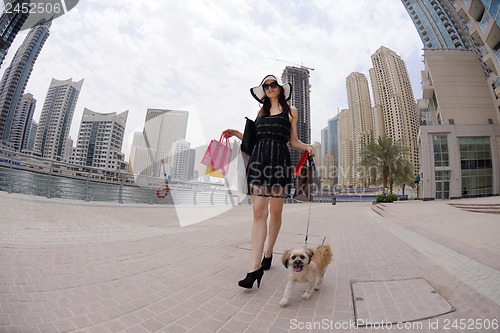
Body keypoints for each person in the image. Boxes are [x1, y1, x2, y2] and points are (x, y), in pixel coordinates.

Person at [223, 74, 315, 289]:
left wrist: (307, 147)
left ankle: (269, 252)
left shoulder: (291, 111)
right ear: (263, 90)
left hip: (279, 162)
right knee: (258, 213)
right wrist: (237, 133)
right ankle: (253, 269)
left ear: (281, 89)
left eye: (274, 84)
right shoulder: (261, 112)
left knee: (275, 213)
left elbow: (293, 141)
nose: (270, 88)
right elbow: (254, 138)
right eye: (266, 86)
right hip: (259, 161)